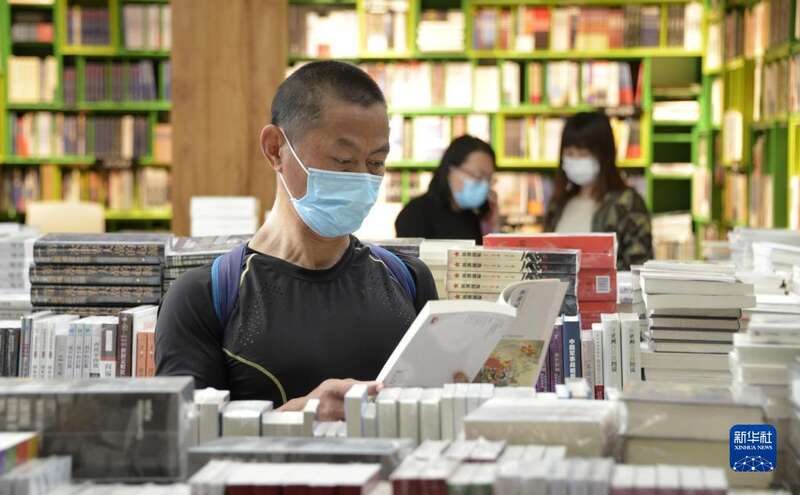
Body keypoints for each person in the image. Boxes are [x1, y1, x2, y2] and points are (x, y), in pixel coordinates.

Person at [155, 61, 438, 420]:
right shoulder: (203, 298)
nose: (362, 179)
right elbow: (181, 438)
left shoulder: (408, 281)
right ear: (275, 149)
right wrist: (298, 415)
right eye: (344, 160)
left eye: (376, 163)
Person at [544, 112, 653, 270]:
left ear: (603, 155)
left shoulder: (627, 204)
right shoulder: (558, 204)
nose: (576, 160)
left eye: (583, 153)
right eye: (569, 153)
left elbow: (639, 267)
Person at [395, 135, 499, 244]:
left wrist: (493, 225)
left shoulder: (473, 218)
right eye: (478, 176)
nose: (484, 184)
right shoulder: (415, 214)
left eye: (488, 178)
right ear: (451, 170)